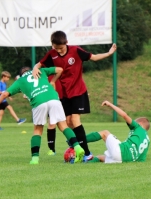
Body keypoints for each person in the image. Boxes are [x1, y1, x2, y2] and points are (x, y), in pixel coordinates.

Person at [32, 30, 117, 162]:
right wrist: (35, 68)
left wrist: (109, 53)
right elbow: (39, 64)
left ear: (66, 43)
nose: (58, 51)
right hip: (63, 94)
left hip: (78, 91)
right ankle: (77, 146)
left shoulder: (76, 51)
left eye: (60, 48)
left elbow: (93, 57)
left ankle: (87, 153)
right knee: (67, 122)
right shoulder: (51, 54)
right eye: (55, 48)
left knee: (75, 120)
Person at [0, 66, 85, 165]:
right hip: (53, 98)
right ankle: (77, 147)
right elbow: (60, 69)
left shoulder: (20, 80)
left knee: (38, 130)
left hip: (39, 102)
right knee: (63, 126)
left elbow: (4, 94)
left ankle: (35, 159)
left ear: (21, 74)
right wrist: (53, 81)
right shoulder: (41, 71)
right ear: (31, 70)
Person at [85, 101, 150, 163]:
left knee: (105, 133)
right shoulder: (147, 140)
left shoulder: (138, 127)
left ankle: (79, 141)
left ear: (140, 123)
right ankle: (86, 162)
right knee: (100, 157)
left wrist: (110, 104)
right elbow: (141, 160)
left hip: (121, 152)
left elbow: (124, 115)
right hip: (123, 160)